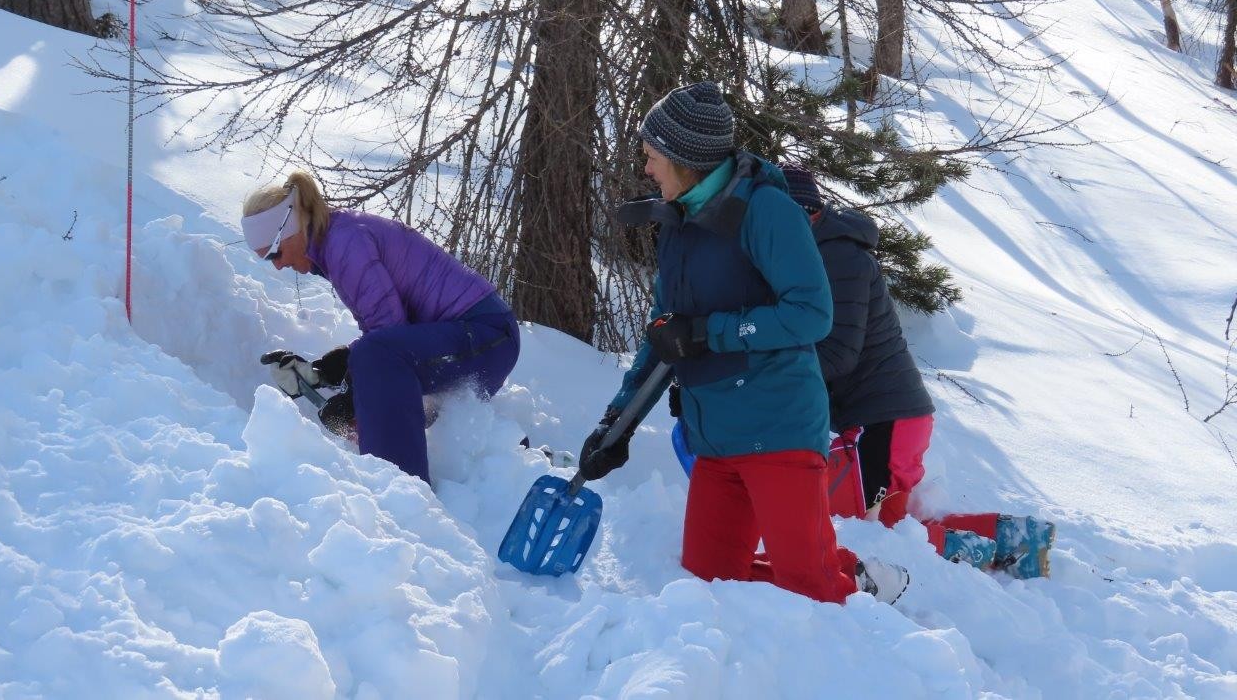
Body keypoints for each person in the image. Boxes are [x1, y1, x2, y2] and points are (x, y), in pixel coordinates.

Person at [577, 81, 909, 605]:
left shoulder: (766, 210)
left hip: (777, 428)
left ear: (684, 158)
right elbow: (663, 335)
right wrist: (615, 424)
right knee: (709, 587)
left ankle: (866, 619)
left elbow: (811, 315)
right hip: (716, 441)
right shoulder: (679, 226)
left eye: (651, 157)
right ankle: (852, 572)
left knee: (810, 591)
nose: (646, 169)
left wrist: (711, 332)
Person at [778, 164, 1056, 579]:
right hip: (883, 417)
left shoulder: (838, 258)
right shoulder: (820, 254)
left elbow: (838, 353)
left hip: (887, 418)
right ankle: (1016, 539)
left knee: (881, 527)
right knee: (889, 520)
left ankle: (982, 555)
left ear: (802, 213)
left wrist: (769, 370)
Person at [244, 171, 520, 485]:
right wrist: (325, 373)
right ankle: (395, 483)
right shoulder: (337, 240)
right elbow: (385, 338)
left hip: (487, 335)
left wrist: (356, 398)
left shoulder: (345, 244)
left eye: (274, 252)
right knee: (374, 360)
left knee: (375, 360)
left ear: (290, 228)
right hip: (473, 337)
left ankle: (400, 492)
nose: (278, 265)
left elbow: (386, 342)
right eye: (268, 260)